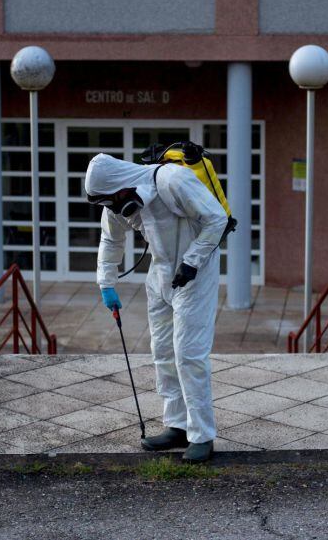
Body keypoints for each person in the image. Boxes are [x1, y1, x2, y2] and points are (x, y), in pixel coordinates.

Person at [84, 153, 228, 463]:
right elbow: (111, 240)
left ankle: (202, 435)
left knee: (188, 353)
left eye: (109, 200)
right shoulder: (118, 202)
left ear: (118, 185)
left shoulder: (172, 180)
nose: (110, 207)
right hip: (161, 273)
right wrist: (106, 283)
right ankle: (176, 424)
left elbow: (217, 218)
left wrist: (192, 261)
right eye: (104, 203)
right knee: (162, 350)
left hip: (195, 273)